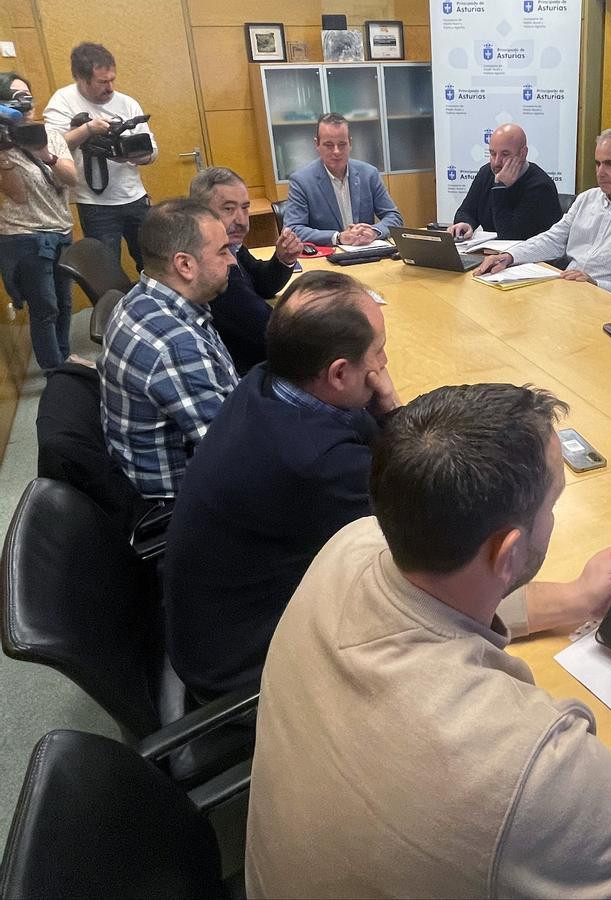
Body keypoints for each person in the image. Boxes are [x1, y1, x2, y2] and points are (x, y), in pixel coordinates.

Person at [245, 383, 611, 898]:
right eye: (552, 503)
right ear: (508, 553)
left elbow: (441, 596)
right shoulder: (528, 766)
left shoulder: (351, 545)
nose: (552, 517)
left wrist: (574, 599)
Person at [163, 270, 397, 699]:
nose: (383, 366)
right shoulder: (318, 464)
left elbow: (365, 437)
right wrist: (393, 410)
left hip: (214, 625)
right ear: (339, 374)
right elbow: (418, 516)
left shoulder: (265, 380)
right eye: (378, 351)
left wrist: (378, 414)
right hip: (245, 669)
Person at [99, 199, 238, 499]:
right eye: (223, 251)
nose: (232, 261)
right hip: (182, 504)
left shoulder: (140, 299)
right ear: (185, 265)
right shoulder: (177, 348)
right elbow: (239, 456)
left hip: (146, 475)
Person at [475, 128, 611, 301]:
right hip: (568, 294)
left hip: (610, 305)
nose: (600, 172)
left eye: (609, 164)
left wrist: (597, 284)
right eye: (597, 164)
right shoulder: (587, 199)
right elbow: (553, 240)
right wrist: (509, 256)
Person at [43, 43, 156, 273]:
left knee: (154, 262)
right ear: (81, 78)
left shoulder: (127, 103)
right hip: (95, 204)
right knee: (106, 270)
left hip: (135, 196)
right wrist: (88, 130)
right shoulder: (62, 101)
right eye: (102, 82)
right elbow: (52, 146)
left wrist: (134, 156)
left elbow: (152, 151)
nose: (110, 87)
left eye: (112, 79)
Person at [0, 72, 79, 371]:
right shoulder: (2, 145)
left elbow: (71, 179)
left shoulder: (52, 135)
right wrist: (4, 156)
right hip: (25, 238)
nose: (26, 102)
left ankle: (64, 361)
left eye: (28, 95)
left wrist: (47, 155)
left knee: (65, 303)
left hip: (61, 231)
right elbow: (18, 196)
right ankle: (54, 372)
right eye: (16, 97)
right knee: (45, 309)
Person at [189, 166, 302, 374]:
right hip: (249, 371)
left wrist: (282, 260)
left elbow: (262, 284)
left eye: (245, 207)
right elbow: (268, 329)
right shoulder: (209, 264)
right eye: (228, 209)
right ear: (200, 213)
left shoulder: (229, 245)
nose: (242, 220)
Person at [283, 113, 402, 247]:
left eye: (342, 144)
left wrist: (374, 231)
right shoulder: (302, 181)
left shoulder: (369, 174)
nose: (336, 151)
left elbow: (394, 217)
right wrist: (338, 237)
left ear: (350, 143)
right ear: (317, 144)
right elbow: (293, 229)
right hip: (329, 255)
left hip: (366, 252)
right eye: (329, 145)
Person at [448, 122, 561, 241]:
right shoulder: (486, 173)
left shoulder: (541, 186)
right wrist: (465, 223)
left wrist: (500, 188)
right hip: (492, 250)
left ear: (523, 154)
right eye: (493, 154)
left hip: (528, 251)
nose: (497, 162)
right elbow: (466, 211)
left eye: (505, 154)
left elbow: (510, 235)